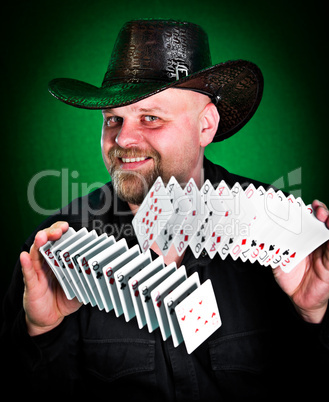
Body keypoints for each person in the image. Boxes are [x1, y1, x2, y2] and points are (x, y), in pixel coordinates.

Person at [1, 19, 329, 400]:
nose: (123, 138)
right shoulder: (55, 251)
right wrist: (42, 332)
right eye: (113, 120)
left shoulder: (280, 234)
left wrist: (316, 314)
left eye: (150, 118)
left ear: (205, 125)